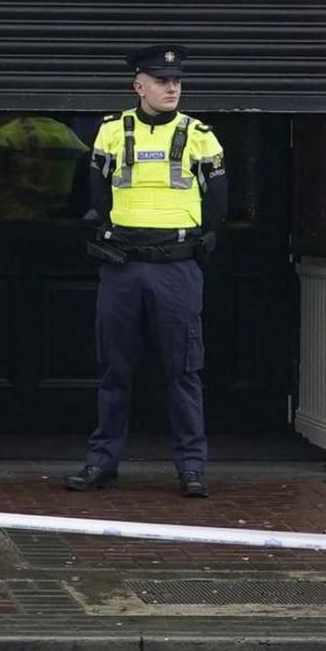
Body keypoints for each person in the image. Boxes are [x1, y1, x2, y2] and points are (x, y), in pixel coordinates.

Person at [68, 44, 226, 498]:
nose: (171, 87)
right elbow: (98, 193)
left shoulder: (200, 135)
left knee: (183, 371)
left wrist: (196, 240)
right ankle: (102, 462)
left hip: (175, 268)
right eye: (161, 80)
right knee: (114, 370)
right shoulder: (112, 132)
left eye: (176, 80)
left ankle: (192, 468)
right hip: (123, 267)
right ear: (138, 85)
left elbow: (218, 204)